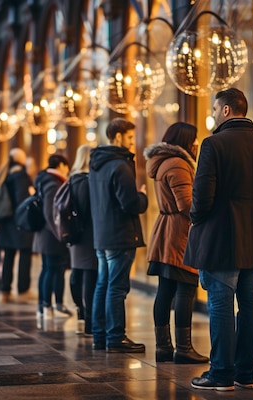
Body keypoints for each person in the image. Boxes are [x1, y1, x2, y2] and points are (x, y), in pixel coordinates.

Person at [185, 88, 253, 391]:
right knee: (250, 304)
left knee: (220, 304)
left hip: (220, 238)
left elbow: (202, 195)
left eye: (216, 109)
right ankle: (246, 373)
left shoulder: (213, 144)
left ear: (227, 110)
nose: (214, 114)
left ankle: (220, 373)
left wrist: (197, 220)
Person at [143, 122, 209, 364]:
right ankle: (183, 348)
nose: (196, 144)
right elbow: (187, 204)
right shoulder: (178, 164)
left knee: (166, 289)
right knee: (186, 289)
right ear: (184, 140)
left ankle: (163, 347)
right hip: (179, 234)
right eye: (194, 139)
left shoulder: (164, 162)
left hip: (165, 231)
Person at [89, 118, 148, 353]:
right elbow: (129, 204)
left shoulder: (97, 164)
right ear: (118, 137)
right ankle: (115, 337)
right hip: (120, 235)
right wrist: (141, 196)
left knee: (103, 284)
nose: (133, 144)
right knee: (116, 287)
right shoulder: (121, 166)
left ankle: (99, 333)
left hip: (102, 235)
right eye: (131, 139)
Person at [33, 154, 73, 319]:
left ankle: (48, 305)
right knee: (51, 269)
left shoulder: (45, 179)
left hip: (46, 234)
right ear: (61, 165)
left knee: (50, 269)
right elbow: (51, 213)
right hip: (51, 235)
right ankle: (47, 306)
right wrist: (60, 234)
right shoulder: (53, 182)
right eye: (66, 166)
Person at [0, 148, 35, 301]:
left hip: (6, 221)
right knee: (25, 254)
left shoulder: (4, 175)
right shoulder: (21, 176)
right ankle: (23, 290)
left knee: (8, 256)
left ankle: (4, 291)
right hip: (19, 222)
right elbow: (23, 200)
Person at [67, 144, 98, 335]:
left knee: (77, 273)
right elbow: (88, 210)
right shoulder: (87, 181)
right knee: (90, 276)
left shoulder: (72, 179)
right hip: (87, 234)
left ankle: (81, 311)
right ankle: (89, 321)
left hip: (74, 233)